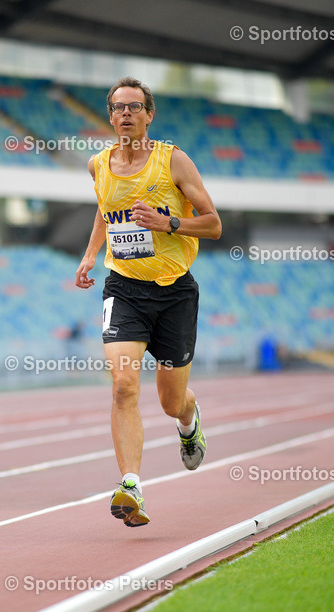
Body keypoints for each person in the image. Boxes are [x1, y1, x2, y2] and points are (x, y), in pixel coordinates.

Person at [75, 77, 222, 528]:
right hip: (124, 290)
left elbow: (214, 224)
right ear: (110, 114)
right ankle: (131, 485)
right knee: (123, 385)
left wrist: (167, 222)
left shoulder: (173, 161)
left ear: (148, 114)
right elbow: (106, 209)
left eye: (134, 107)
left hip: (175, 292)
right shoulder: (98, 165)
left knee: (170, 401)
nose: (125, 114)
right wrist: (89, 255)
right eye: (118, 107)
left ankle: (188, 421)